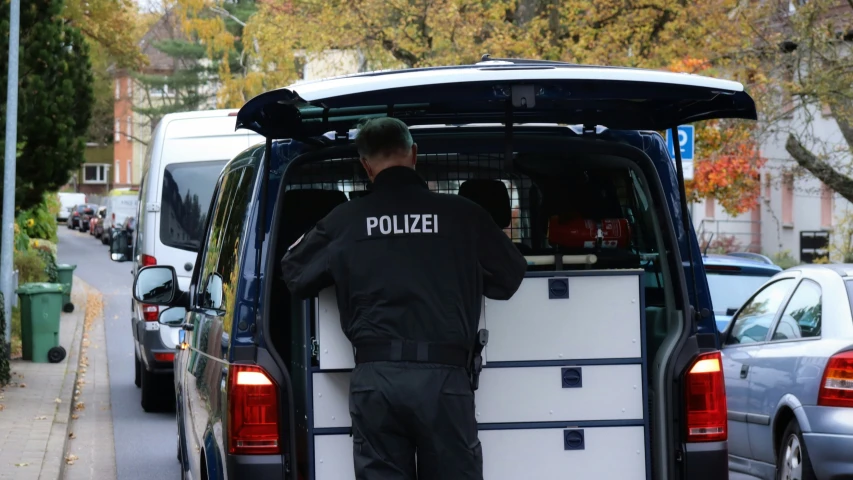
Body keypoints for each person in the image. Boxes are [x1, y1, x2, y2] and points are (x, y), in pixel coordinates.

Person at [280, 117, 528, 480]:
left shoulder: (345, 221)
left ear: (365, 165)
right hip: (445, 382)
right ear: (414, 154)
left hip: (376, 381)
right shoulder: (464, 216)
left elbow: (294, 275)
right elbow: (510, 277)